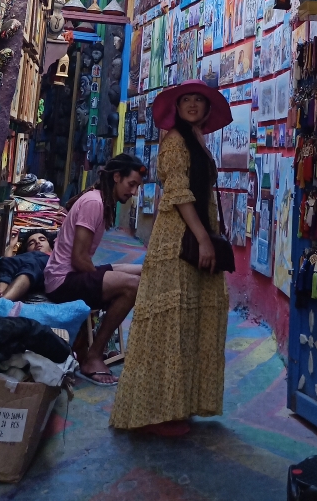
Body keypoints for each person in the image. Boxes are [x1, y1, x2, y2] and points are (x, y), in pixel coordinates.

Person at [110, 80, 231, 437]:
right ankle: (157, 413)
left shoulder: (197, 139)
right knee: (170, 324)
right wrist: (203, 239)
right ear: (176, 108)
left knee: (188, 322)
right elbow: (178, 194)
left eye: (198, 100)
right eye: (186, 100)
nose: (192, 105)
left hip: (194, 234)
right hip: (179, 239)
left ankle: (177, 405)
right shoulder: (175, 141)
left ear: (206, 109)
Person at [45, 153, 145, 385]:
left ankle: (92, 348)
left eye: (137, 187)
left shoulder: (99, 201)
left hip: (74, 273)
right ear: (117, 177)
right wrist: (106, 284)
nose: (133, 192)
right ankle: (93, 357)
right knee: (132, 286)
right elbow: (80, 259)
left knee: (139, 272)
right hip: (62, 280)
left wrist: (109, 278)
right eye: (131, 184)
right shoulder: (94, 203)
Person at [0, 229, 54, 304]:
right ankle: (0, 292)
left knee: (32, 264)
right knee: (6, 261)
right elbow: (9, 261)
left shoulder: (53, 257)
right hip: (28, 261)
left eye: (42, 239)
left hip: (41, 267)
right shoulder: (26, 257)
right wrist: (11, 245)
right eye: (31, 243)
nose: (37, 242)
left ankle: (2, 300)